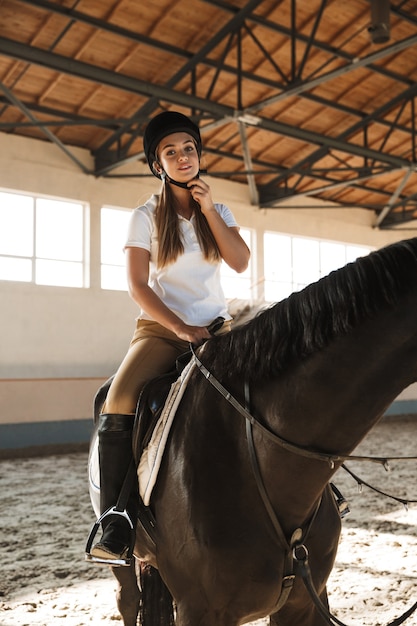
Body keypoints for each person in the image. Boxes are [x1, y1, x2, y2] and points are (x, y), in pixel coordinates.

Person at [85, 110, 250, 566]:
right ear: (158, 164)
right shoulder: (144, 218)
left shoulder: (219, 211)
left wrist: (210, 209)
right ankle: (117, 517)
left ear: (199, 155)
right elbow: (138, 285)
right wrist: (181, 329)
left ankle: (316, 491)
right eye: (171, 152)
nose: (182, 157)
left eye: (189, 149)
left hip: (218, 330)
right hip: (164, 330)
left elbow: (239, 261)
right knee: (118, 398)